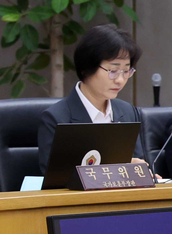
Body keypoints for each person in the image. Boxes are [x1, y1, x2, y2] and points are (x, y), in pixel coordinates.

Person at [37, 24, 149, 174]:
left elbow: (138, 164)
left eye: (126, 71)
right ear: (87, 67)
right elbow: (56, 181)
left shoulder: (127, 112)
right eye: (113, 71)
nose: (120, 80)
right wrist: (118, 167)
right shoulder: (56, 118)